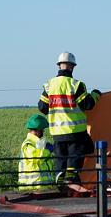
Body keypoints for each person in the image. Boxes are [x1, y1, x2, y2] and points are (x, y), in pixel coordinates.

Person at [38, 52, 100, 184]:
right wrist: (95, 95)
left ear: (59, 66)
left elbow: (42, 107)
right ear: (72, 67)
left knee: (61, 162)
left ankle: (60, 186)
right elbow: (88, 104)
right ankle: (72, 184)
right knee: (73, 164)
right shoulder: (76, 85)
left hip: (57, 133)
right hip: (75, 132)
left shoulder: (49, 85)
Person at [19, 114, 54, 192]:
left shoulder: (38, 143)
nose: (43, 132)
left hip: (41, 186)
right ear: (38, 130)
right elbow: (37, 158)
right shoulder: (28, 144)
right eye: (42, 130)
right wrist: (48, 150)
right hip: (32, 187)